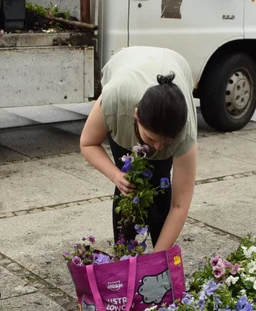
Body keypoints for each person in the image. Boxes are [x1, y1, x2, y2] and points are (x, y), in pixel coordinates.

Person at [79, 46, 198, 253]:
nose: (158, 147)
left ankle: (161, 255)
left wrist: (156, 260)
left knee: (160, 183)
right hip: (126, 70)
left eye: (166, 141)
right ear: (136, 116)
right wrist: (115, 175)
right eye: (152, 138)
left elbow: (180, 206)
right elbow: (88, 143)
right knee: (128, 182)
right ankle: (125, 252)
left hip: (175, 65)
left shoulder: (185, 133)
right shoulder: (115, 99)